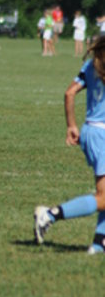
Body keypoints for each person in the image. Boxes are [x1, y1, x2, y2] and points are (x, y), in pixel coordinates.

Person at [34, 35, 105, 254]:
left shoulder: (92, 65)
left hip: (90, 131)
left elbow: (69, 93)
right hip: (102, 134)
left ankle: (99, 243)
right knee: (103, 197)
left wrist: (71, 126)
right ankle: (50, 214)